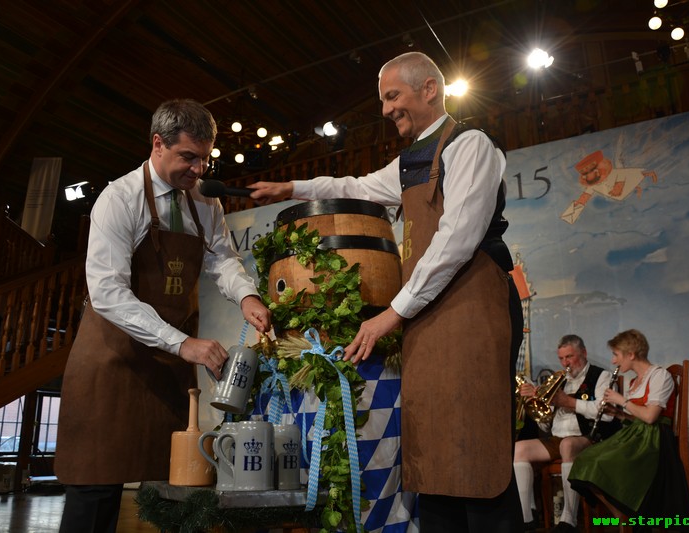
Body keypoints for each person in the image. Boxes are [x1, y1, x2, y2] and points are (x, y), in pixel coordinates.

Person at [249, 51, 524, 532]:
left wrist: (391, 313)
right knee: (434, 453)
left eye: (392, 96)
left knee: (476, 447)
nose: (384, 110)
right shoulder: (408, 163)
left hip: (473, 312)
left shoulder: (470, 145)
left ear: (430, 89)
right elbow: (352, 185)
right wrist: (292, 187)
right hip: (429, 317)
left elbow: (456, 240)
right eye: (382, 100)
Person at [55, 99, 271, 533]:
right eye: (188, 157)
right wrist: (183, 342)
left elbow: (222, 260)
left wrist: (247, 296)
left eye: (204, 159)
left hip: (168, 368)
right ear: (158, 144)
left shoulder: (204, 203)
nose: (198, 170)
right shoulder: (119, 199)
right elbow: (109, 294)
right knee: (95, 489)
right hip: (111, 360)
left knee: (177, 491)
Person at [567, 329, 689, 532]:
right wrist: (618, 414)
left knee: (598, 463)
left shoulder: (659, 375)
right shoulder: (636, 381)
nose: (613, 361)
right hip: (637, 435)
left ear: (631, 354)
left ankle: (627, 519)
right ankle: (626, 518)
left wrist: (622, 401)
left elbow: (651, 417)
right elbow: (638, 417)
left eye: (616, 355)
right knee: (585, 459)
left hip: (653, 442)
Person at [513, 334, 621, 532]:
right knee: (519, 449)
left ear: (584, 353)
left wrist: (569, 402)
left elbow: (606, 415)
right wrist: (535, 406)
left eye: (570, 357)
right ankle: (526, 517)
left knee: (567, 445)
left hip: (589, 437)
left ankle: (568, 519)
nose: (566, 363)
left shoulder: (602, 376)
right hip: (557, 438)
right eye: (562, 358)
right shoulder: (559, 380)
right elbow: (546, 426)